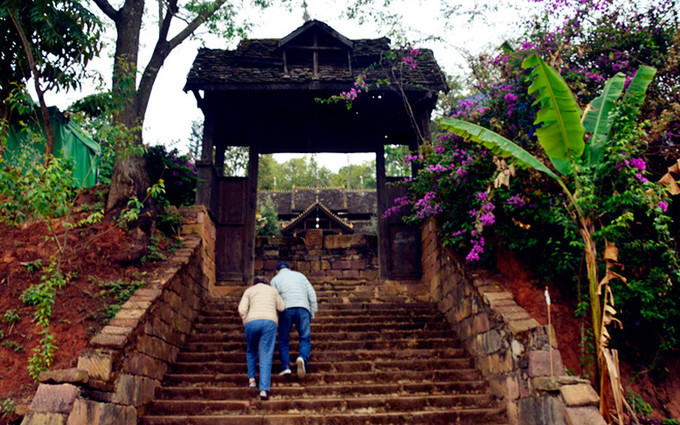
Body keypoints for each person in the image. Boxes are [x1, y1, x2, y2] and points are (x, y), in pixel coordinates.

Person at [238, 275, 285, 400]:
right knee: (266, 355)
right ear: (266, 282)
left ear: (255, 283)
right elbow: (281, 307)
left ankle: (252, 380)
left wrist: (246, 322)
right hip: (269, 322)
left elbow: (242, 310)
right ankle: (264, 389)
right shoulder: (273, 290)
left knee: (251, 350)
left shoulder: (249, 290)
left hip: (252, 322)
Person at [270, 261, 318, 379]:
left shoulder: (275, 280)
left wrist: (275, 314)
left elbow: (274, 297)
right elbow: (311, 293)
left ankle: (285, 367)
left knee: (283, 339)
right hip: (303, 308)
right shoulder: (300, 276)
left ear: (277, 271)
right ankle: (302, 358)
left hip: (286, 309)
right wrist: (313, 310)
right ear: (289, 269)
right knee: (305, 337)